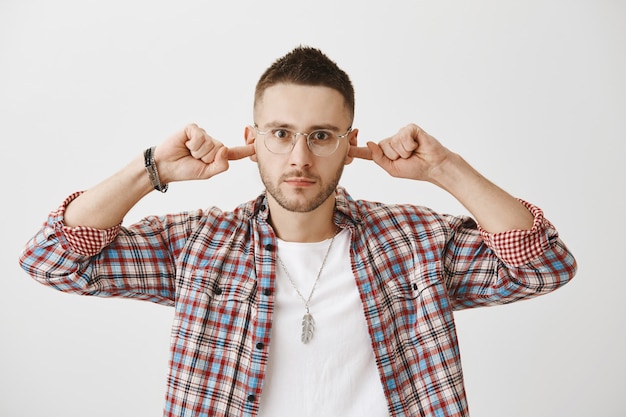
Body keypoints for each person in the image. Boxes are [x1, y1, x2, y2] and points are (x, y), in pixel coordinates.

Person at [19, 46, 577, 417]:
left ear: (350, 142)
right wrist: (153, 170)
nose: (299, 157)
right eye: (281, 133)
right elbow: (52, 258)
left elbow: (544, 266)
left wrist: (444, 169)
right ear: (253, 137)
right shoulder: (199, 245)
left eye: (322, 135)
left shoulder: (415, 244)